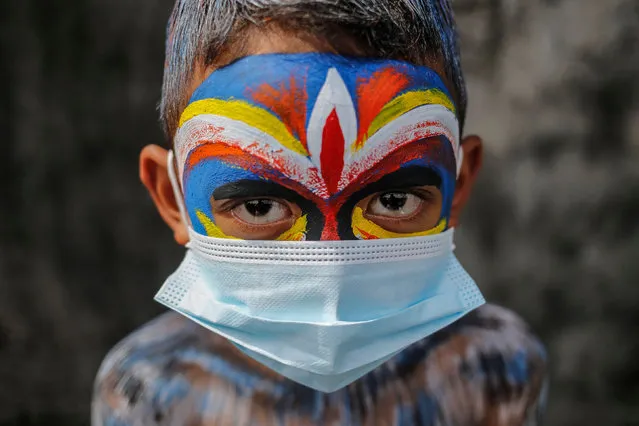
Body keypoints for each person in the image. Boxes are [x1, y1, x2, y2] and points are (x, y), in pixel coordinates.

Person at [92, 1, 548, 425]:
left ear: (458, 188)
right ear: (172, 197)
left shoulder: (495, 370)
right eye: (259, 206)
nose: (331, 263)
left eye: (393, 202)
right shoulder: (149, 387)